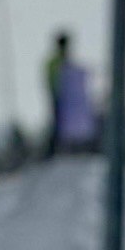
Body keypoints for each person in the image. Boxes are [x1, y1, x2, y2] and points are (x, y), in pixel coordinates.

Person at [43, 31, 72, 159]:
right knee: (58, 125)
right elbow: (52, 80)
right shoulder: (57, 61)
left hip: (64, 98)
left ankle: (59, 150)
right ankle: (53, 151)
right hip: (59, 97)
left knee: (63, 125)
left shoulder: (60, 61)